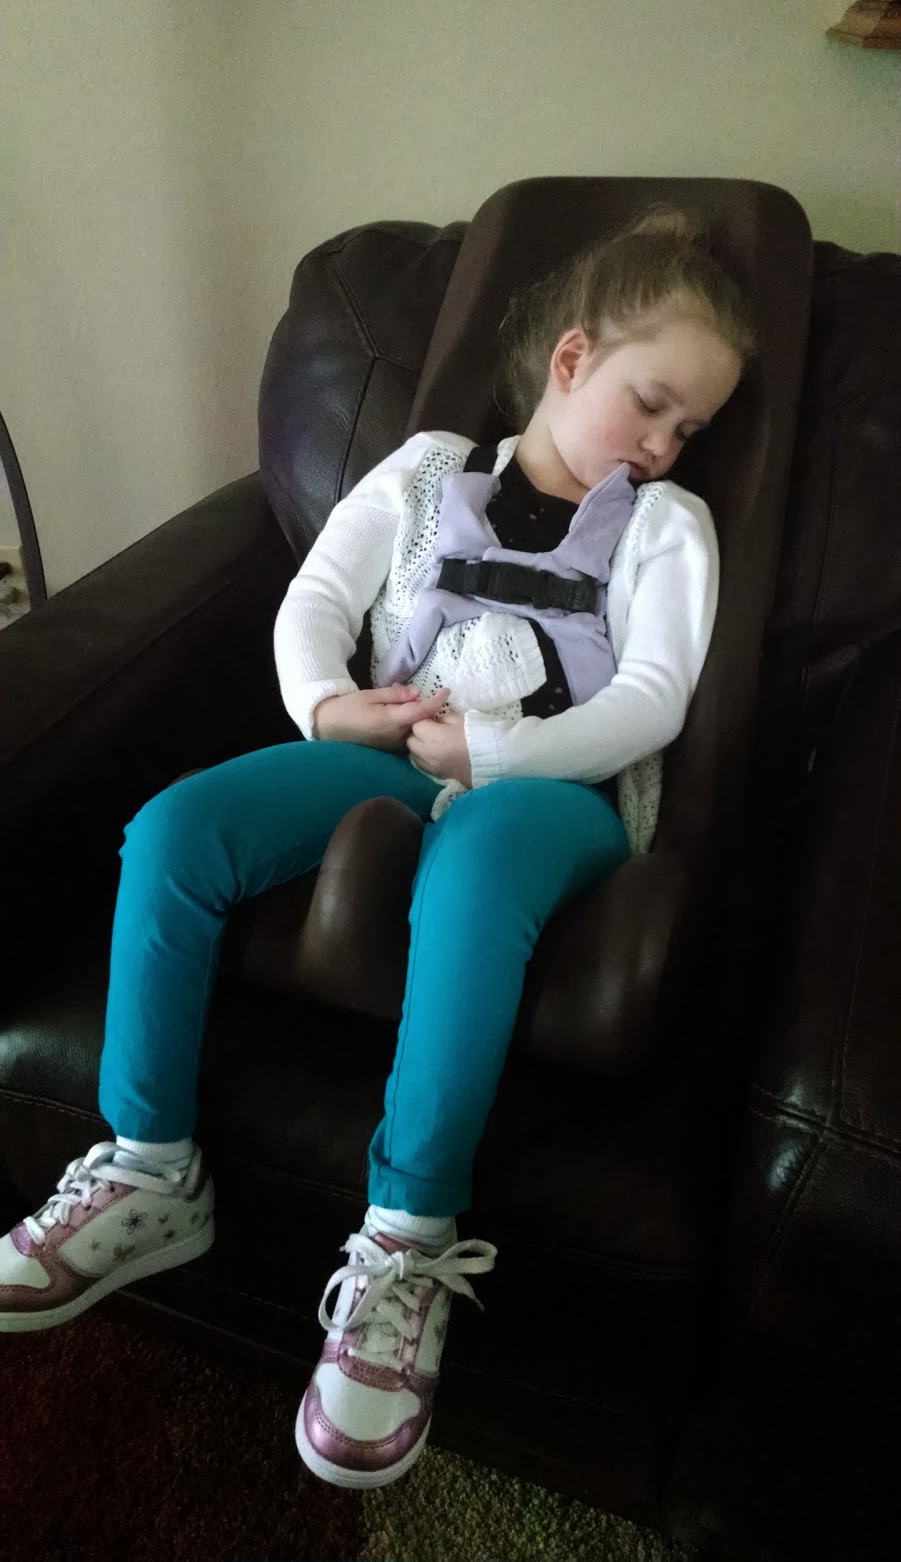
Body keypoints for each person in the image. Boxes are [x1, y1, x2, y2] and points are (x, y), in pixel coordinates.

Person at [0, 206, 755, 1490]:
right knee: (177, 827)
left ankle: (407, 1240)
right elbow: (316, 599)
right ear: (572, 359)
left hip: (550, 789)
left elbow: (651, 698)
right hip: (386, 752)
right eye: (650, 404)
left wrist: (498, 755)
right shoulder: (424, 470)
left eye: (690, 429)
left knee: (474, 872)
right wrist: (326, 704)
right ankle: (149, 1167)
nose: (663, 444)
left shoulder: (665, 524)